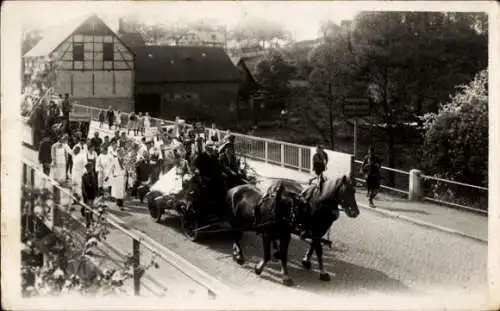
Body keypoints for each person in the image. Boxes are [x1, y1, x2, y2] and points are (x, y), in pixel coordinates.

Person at [81, 162, 99, 227]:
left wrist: (97, 193)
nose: (91, 169)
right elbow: (83, 186)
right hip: (87, 195)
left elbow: (96, 184)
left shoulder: (94, 174)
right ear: (87, 168)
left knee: (92, 207)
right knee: (87, 209)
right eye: (89, 168)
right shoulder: (84, 176)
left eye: (91, 167)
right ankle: (87, 222)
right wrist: (85, 194)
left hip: (93, 194)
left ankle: (91, 217)